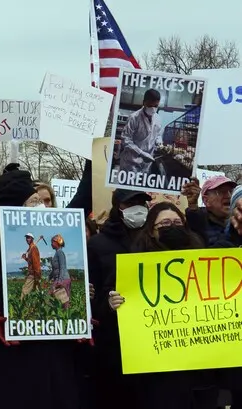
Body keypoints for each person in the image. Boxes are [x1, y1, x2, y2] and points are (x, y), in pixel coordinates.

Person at [0, 168, 81, 409]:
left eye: (40, 201)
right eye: (32, 201)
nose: (39, 206)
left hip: (51, 360)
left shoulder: (57, 242)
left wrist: (79, 319)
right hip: (5, 361)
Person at [108, 202, 212, 409]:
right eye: (164, 223)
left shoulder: (203, 261)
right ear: (151, 230)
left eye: (177, 222)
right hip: (156, 370)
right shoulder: (133, 265)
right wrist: (112, 304)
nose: (172, 227)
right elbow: (112, 305)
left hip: (198, 366)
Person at [87, 188, 151, 409]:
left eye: (141, 203)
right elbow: (89, 297)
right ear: (118, 208)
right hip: (113, 343)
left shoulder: (153, 240)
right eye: (130, 204)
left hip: (149, 339)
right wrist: (106, 304)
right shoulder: (97, 245)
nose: (138, 209)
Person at [182, 175, 236, 246]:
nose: (229, 196)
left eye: (231, 191)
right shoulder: (199, 221)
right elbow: (194, 220)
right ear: (206, 200)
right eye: (222, 192)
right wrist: (193, 205)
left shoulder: (237, 221)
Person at [118, 89, 162, 175]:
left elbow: (158, 135)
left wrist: (159, 142)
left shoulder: (158, 119)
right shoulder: (134, 118)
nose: (153, 109)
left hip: (146, 164)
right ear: (144, 102)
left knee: (141, 182)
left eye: (156, 106)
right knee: (128, 183)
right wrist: (141, 153)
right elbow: (126, 140)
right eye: (150, 105)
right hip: (131, 163)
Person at [49, 234, 70, 309]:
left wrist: (60, 281)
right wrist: (49, 277)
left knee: (64, 302)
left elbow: (62, 267)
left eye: (52, 242)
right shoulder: (57, 253)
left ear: (57, 242)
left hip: (62, 279)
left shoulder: (60, 252)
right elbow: (55, 269)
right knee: (61, 301)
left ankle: (65, 314)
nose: (51, 244)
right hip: (59, 279)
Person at [20, 233, 42, 299]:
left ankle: (22, 303)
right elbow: (31, 262)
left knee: (24, 290)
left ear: (32, 239)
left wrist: (37, 275)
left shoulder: (33, 248)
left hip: (33, 274)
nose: (27, 239)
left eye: (29, 238)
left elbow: (36, 262)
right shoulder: (30, 249)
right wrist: (25, 258)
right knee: (37, 292)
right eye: (26, 238)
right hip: (34, 273)